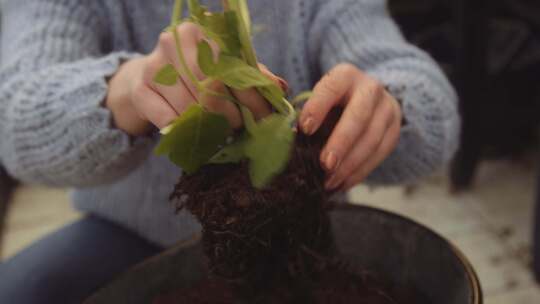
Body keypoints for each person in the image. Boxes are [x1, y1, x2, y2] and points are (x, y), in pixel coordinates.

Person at [0, 0, 459, 303]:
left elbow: (425, 100)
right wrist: (126, 90)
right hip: (126, 235)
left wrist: (390, 106)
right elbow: (15, 118)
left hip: (302, 242)